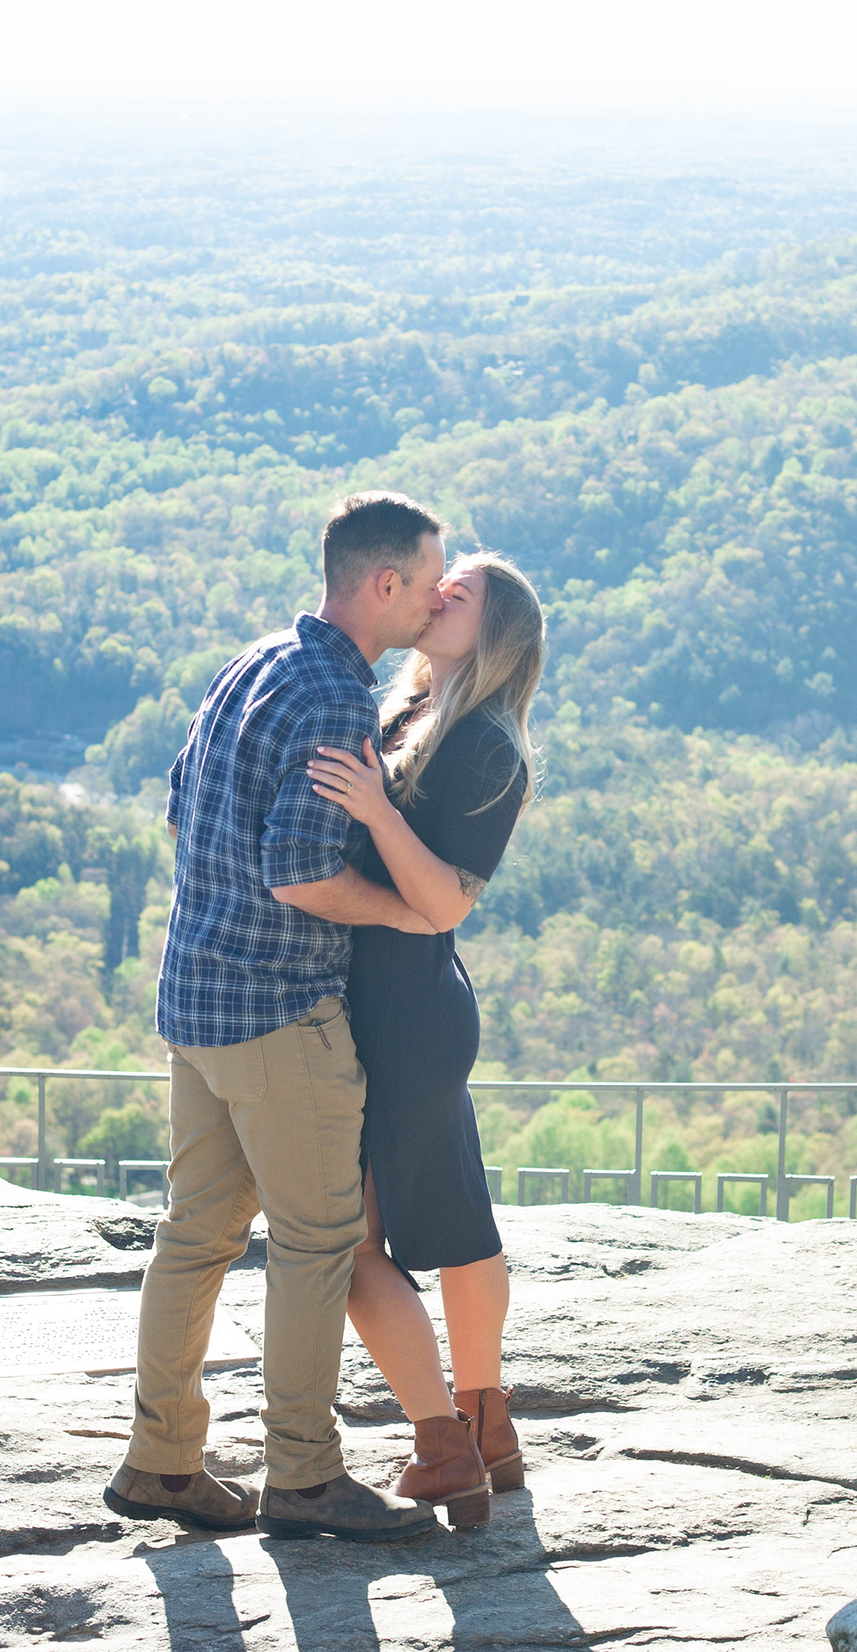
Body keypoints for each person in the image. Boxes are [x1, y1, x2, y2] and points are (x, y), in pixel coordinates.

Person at [106, 491, 450, 1544]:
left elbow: (179, 806)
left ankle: (161, 1458)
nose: (438, 602)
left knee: (195, 1232)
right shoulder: (334, 699)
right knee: (318, 1238)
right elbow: (300, 874)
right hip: (278, 1010)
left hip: (195, 999)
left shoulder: (252, 662)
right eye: (430, 583)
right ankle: (302, 1473)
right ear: (383, 583)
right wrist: (405, 910)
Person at [304, 552, 545, 1531]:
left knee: (360, 1236)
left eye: (460, 595)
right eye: (439, 586)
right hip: (390, 1005)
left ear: (495, 636)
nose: (437, 596)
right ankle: (485, 1434)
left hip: (402, 1013)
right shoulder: (407, 715)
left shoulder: (488, 746)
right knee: (446, 1220)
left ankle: (445, 1439)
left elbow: (445, 897)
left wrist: (369, 808)